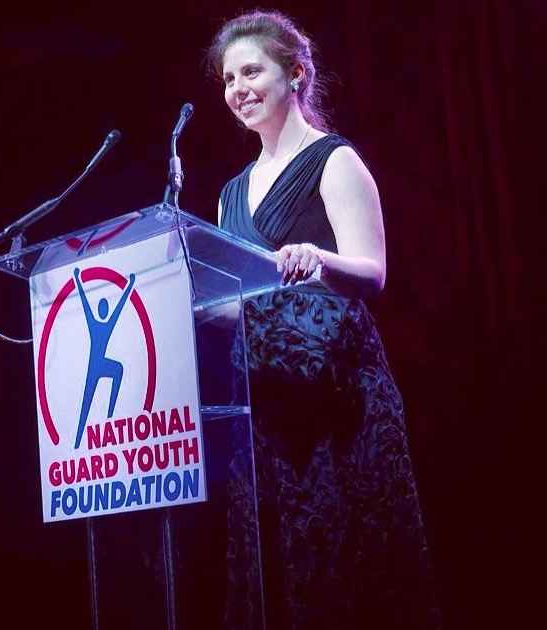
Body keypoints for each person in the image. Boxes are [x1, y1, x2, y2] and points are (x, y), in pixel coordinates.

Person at [207, 10, 441, 630]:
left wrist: (320, 259)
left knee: (353, 567)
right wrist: (198, 308)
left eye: (252, 70)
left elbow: (374, 272)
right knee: (280, 576)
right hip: (267, 407)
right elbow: (238, 306)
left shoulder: (334, 161)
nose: (239, 89)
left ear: (296, 74)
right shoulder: (230, 194)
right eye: (229, 79)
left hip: (338, 398)